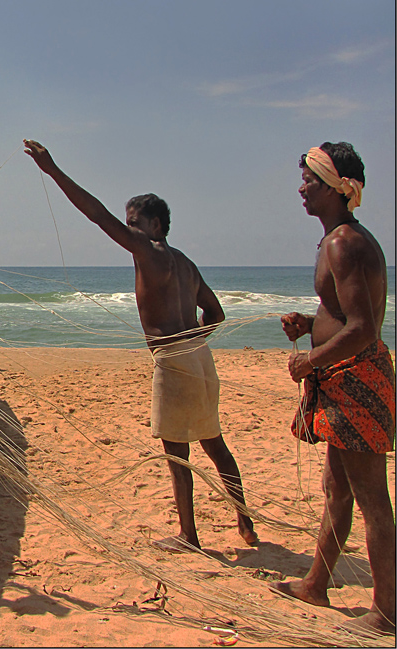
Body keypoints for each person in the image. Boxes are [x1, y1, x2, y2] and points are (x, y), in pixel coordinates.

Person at [23, 139, 257, 553]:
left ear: (156, 227)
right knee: (215, 444)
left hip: (174, 362)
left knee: (177, 453)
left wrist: (53, 170)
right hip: (200, 360)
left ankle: (188, 536)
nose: (129, 229)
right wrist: (192, 340)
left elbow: (97, 216)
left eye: (136, 222)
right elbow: (215, 315)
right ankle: (245, 522)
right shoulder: (186, 264)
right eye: (129, 222)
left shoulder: (150, 253)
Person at [271, 142, 395, 637]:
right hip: (342, 381)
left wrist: (310, 361)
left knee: (371, 500)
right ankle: (316, 584)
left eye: (309, 181)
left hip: (355, 381)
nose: (301, 189)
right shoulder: (339, 240)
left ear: (334, 188)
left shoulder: (344, 243)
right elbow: (344, 313)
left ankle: (386, 612)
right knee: (337, 489)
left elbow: (363, 328)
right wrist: (310, 322)